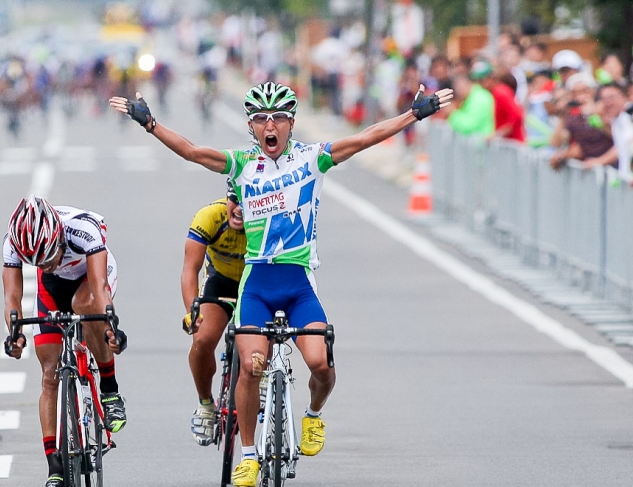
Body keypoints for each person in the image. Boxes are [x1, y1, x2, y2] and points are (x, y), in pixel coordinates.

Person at [109, 81, 453, 487]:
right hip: (257, 281)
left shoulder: (311, 159)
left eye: (277, 118)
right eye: (260, 119)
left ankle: (313, 416)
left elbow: (364, 139)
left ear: (291, 123)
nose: (269, 126)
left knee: (321, 365)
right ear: (251, 127)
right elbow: (193, 151)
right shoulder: (241, 164)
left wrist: (413, 114)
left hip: (298, 281)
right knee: (250, 367)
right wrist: (151, 124)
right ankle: (251, 457)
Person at [2, 195, 127, 487]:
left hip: (90, 276)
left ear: (58, 235)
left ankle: (109, 390)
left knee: (85, 305)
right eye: (37, 262)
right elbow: (12, 299)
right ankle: (54, 465)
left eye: (49, 256)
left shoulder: (83, 230)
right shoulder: (13, 241)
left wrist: (110, 325)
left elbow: (99, 290)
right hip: (53, 288)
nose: (47, 264)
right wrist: (15, 334)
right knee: (49, 374)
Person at [182, 181, 246, 446]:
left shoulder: (267, 220)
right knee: (203, 340)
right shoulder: (209, 216)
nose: (240, 209)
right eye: (234, 200)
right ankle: (206, 404)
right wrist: (192, 311)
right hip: (219, 280)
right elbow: (190, 269)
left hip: (255, 284)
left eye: (248, 202)